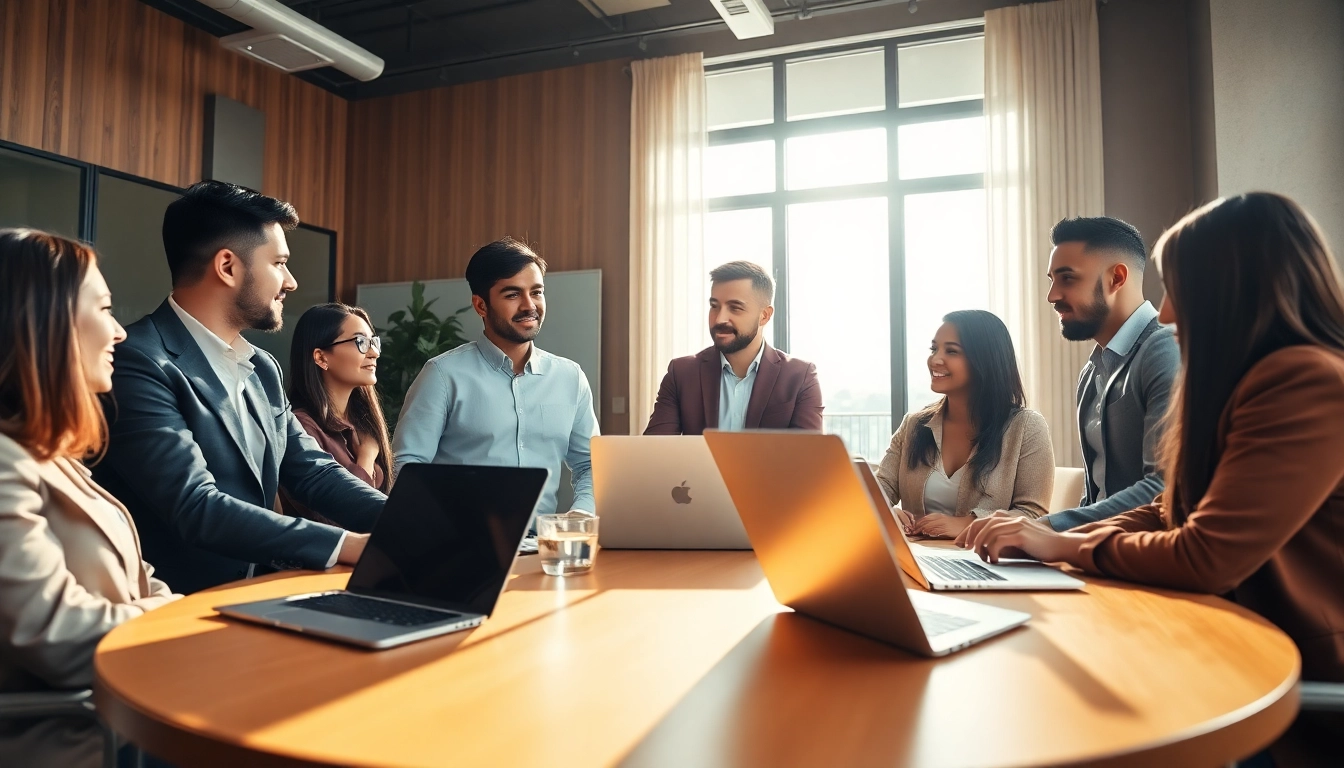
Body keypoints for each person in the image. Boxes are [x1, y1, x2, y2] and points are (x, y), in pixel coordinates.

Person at [958, 193, 1344, 765]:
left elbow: (1206, 554)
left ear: (1232, 287)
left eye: (1180, 289)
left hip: (1290, 682)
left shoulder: (1308, 381)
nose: (1165, 314)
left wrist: (1062, 543)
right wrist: (1048, 539)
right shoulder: (1248, 381)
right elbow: (1172, 506)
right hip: (1226, 645)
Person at [92, 181, 384, 594]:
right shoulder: (136, 362)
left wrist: (409, 522)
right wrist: (347, 545)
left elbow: (313, 473)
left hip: (255, 599)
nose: (291, 281)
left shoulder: (263, 367)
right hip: (170, 608)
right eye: (279, 263)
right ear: (227, 266)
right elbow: (196, 506)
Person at [0, 229, 180, 767]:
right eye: (104, 308)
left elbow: (142, 579)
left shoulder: (52, 456)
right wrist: (182, 619)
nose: (120, 331)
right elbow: (57, 636)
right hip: (74, 744)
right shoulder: (7, 463)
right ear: (43, 324)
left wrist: (172, 612)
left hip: (127, 721)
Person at [392, 238, 598, 517]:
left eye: (536, 292)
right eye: (512, 295)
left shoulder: (570, 378)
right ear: (481, 305)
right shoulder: (442, 375)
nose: (529, 305)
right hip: (462, 538)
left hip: (541, 539)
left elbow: (590, 465)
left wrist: (581, 514)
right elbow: (407, 466)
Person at [1041, 217, 1179, 531]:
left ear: (1116, 278)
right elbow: (1096, 499)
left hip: (1144, 554)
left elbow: (1164, 488)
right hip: (1096, 549)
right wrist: (1033, 533)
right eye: (1051, 280)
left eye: (1067, 278)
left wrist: (1049, 529)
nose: (1052, 295)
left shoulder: (1165, 350)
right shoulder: (1090, 374)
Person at [875, 310, 1054, 540]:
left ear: (984, 359)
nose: (935, 360)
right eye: (934, 349)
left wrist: (968, 525)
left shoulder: (1027, 427)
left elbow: (1033, 514)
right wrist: (886, 512)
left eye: (951, 351)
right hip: (916, 556)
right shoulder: (914, 425)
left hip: (983, 559)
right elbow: (880, 488)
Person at [643, 261, 824, 435]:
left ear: (764, 315)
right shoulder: (681, 373)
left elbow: (809, 454)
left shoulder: (800, 377)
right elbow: (655, 450)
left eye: (735, 308)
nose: (720, 319)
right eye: (714, 306)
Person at [281, 303, 393, 525]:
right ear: (321, 358)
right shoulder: (300, 428)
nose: (374, 352)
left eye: (373, 342)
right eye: (360, 342)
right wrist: (366, 458)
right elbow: (333, 519)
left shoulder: (361, 422)